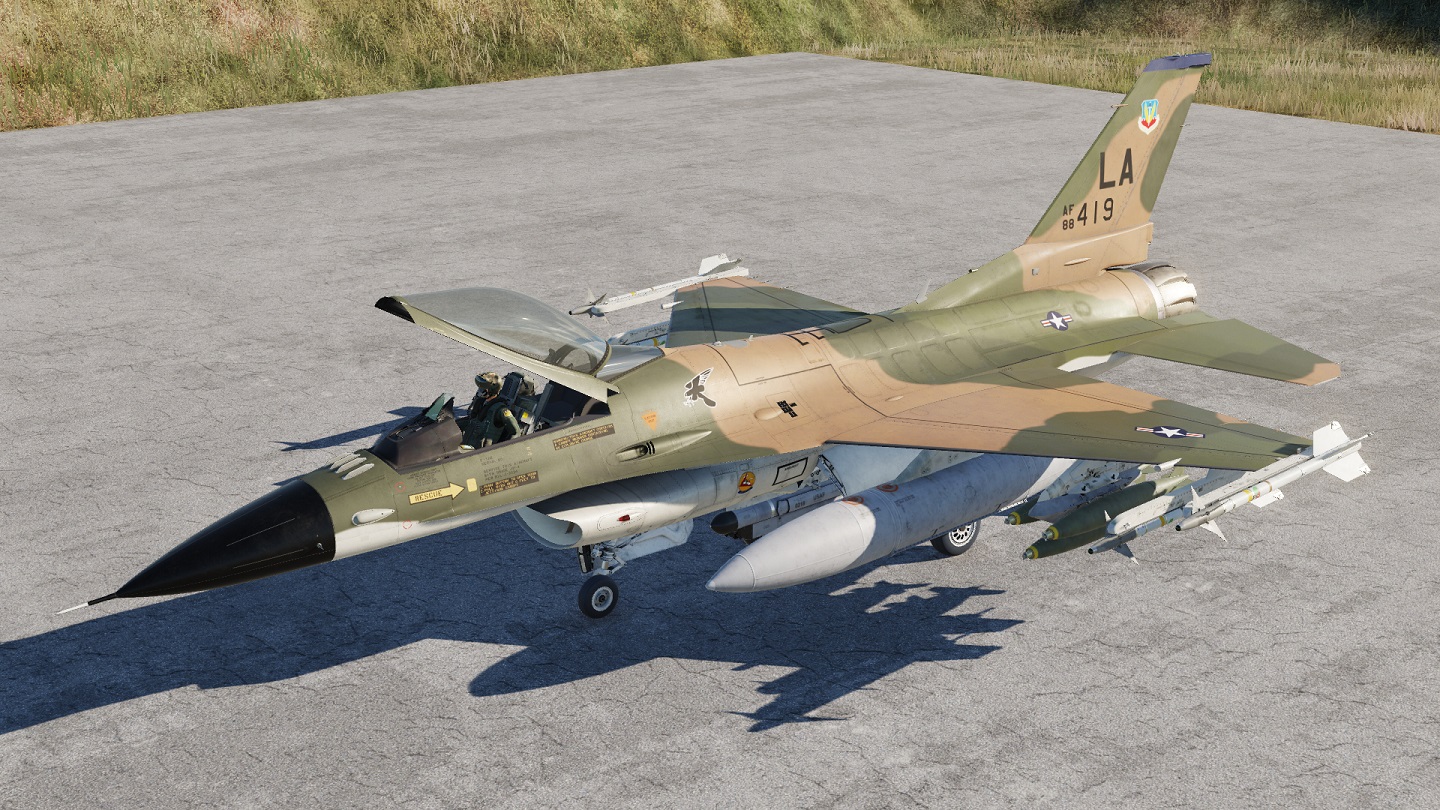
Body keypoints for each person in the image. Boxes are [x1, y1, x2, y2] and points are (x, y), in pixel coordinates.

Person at [462, 372, 521, 447]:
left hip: (483, 450)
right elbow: (471, 421)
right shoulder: (481, 403)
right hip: (468, 446)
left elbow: (516, 432)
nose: (480, 390)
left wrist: (503, 449)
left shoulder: (501, 410)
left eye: (483, 388)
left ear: (490, 390)